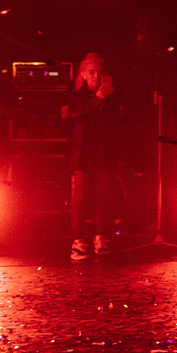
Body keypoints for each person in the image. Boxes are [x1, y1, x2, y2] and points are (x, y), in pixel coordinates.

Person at [63, 52, 121, 260]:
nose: (95, 76)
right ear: (83, 74)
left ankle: (101, 236)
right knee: (81, 197)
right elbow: (76, 115)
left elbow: (116, 122)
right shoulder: (78, 96)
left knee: (103, 196)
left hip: (104, 152)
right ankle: (78, 240)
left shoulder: (112, 97)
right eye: (91, 72)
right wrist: (97, 99)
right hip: (82, 152)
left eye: (99, 72)